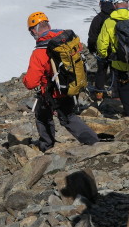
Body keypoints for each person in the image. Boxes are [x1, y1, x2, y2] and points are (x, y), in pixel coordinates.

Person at [23, 11, 99, 151]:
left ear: (34, 30)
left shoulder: (39, 52)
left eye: (31, 31)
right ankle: (49, 143)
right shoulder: (65, 41)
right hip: (70, 84)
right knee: (52, 113)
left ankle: (92, 142)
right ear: (48, 25)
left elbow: (31, 82)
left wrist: (25, 80)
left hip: (54, 92)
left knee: (62, 118)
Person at [87, 0, 116, 103]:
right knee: (115, 70)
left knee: (101, 71)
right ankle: (116, 93)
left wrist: (92, 49)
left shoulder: (97, 19)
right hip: (115, 50)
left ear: (100, 3)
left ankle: (99, 93)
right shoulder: (116, 17)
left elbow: (92, 37)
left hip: (102, 50)